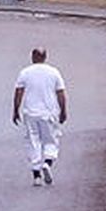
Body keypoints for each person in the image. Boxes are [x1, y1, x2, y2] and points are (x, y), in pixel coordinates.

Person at [12, 46, 67, 185]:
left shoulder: (25, 72)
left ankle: (36, 175)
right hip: (49, 113)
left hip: (30, 113)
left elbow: (18, 92)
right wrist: (63, 110)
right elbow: (60, 93)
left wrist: (15, 110)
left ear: (33, 57)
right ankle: (47, 163)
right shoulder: (54, 72)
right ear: (45, 57)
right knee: (50, 140)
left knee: (33, 141)